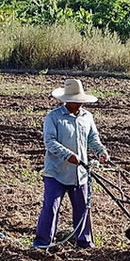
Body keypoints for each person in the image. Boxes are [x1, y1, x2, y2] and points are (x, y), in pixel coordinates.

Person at [32, 79, 110, 250]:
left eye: (81, 100)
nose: (79, 104)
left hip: (79, 173)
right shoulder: (54, 117)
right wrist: (67, 155)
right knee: (50, 209)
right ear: (67, 100)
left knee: (83, 209)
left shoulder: (87, 117)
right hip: (56, 172)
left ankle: (85, 243)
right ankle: (42, 244)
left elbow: (92, 138)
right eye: (76, 100)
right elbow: (50, 142)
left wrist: (101, 152)